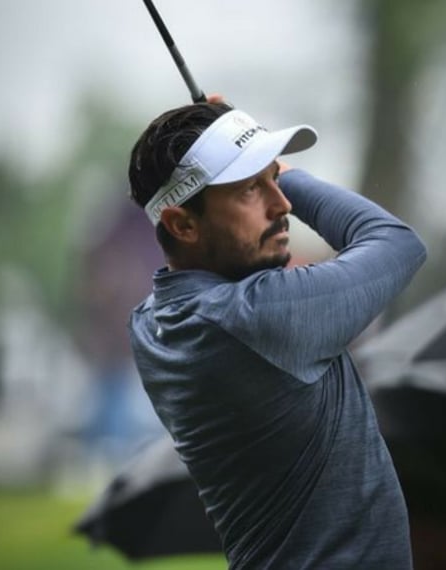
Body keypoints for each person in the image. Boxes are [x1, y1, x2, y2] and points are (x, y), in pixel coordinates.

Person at [124, 94, 427, 569]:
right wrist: (288, 172)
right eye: (251, 188)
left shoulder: (149, 322)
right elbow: (397, 244)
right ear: (182, 225)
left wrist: (237, 151)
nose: (282, 202)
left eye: (274, 178)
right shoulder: (255, 317)